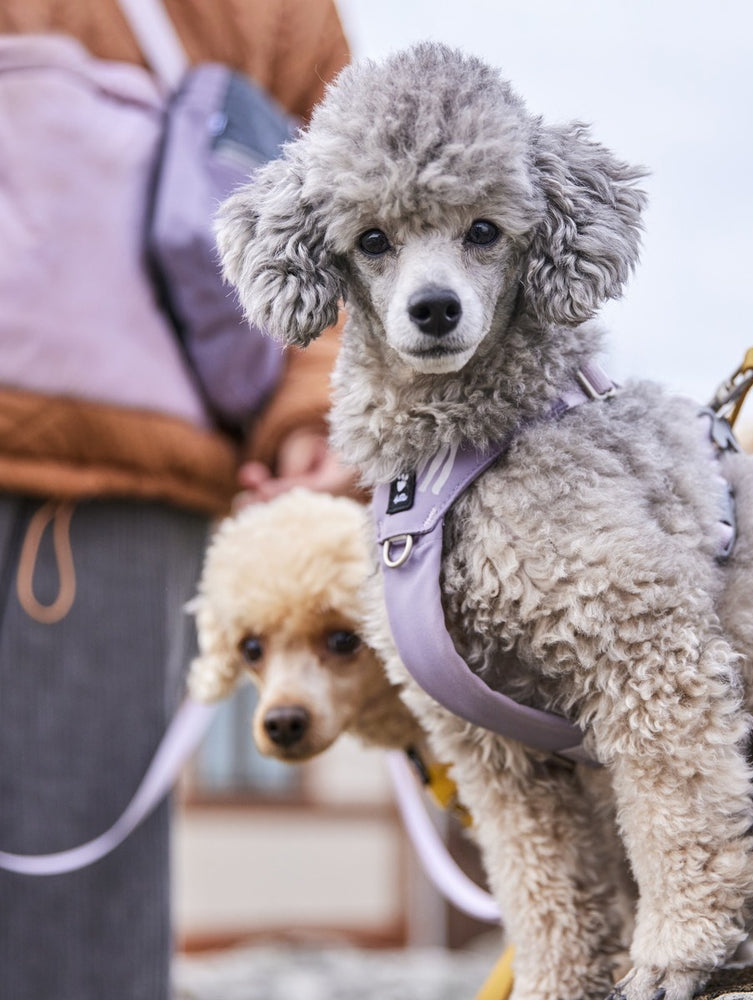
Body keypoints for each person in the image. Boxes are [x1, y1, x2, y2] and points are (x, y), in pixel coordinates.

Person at [0, 2, 355, 998]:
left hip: (114, 495)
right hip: (128, 482)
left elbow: (338, 229)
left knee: (78, 904)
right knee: (79, 903)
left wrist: (313, 418)